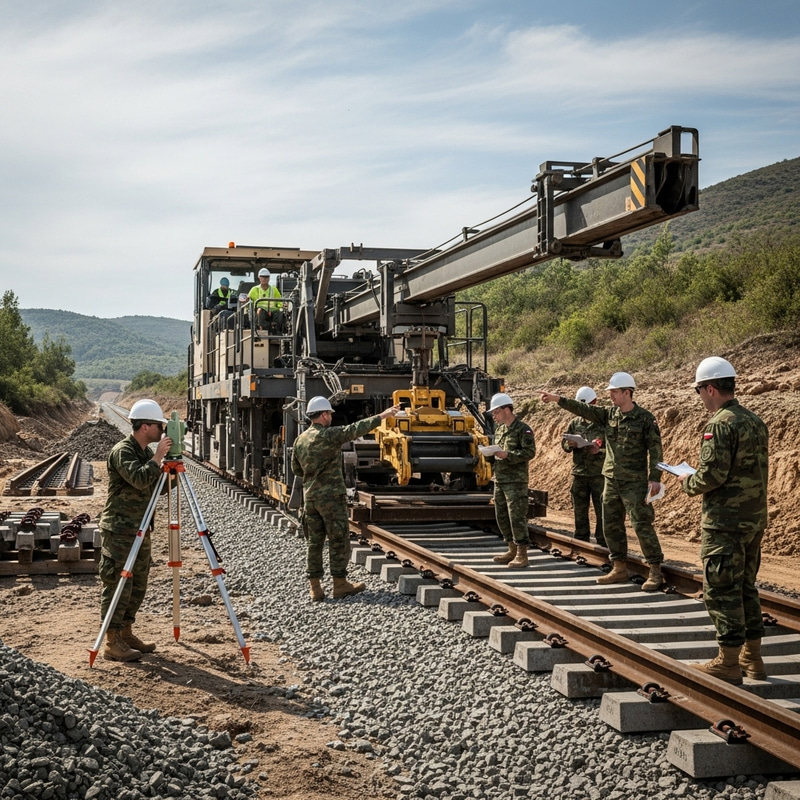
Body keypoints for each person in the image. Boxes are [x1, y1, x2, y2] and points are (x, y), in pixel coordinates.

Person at [678, 356, 769, 684]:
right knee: (746, 586)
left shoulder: (720, 424)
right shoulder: (755, 421)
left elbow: (712, 476)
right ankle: (753, 658)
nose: (700, 396)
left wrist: (686, 480)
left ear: (711, 388)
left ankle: (728, 661)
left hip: (725, 523)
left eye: (700, 390)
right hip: (753, 520)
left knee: (720, 589)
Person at [540, 372, 665, 591]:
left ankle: (655, 569)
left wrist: (655, 479)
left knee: (641, 524)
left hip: (634, 482)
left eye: (615, 392)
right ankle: (619, 567)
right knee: (610, 524)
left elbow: (656, 451)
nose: (611, 396)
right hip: (610, 480)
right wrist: (558, 399)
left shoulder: (645, 418)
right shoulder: (609, 415)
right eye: (610, 392)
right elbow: (584, 409)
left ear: (628, 392)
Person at [291, 395, 401, 601]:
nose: (331, 417)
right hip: (332, 498)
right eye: (330, 414)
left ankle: (315, 588)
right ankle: (339, 584)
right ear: (323, 415)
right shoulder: (329, 435)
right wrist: (382, 416)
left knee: (314, 543)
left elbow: (296, 469)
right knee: (338, 540)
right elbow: (354, 429)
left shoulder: (300, 440)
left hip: (310, 499)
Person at [98, 399, 172, 661]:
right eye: (159, 425)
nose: (163, 430)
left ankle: (126, 632)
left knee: (137, 585)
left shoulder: (143, 453)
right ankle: (111, 641)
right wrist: (159, 457)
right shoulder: (123, 451)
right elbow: (140, 479)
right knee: (118, 583)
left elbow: (157, 487)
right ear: (145, 427)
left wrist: (169, 471)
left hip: (140, 528)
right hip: (120, 529)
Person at [487, 392, 536, 568]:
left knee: (516, 516)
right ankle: (511, 549)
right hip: (500, 479)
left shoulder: (523, 429)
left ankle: (522, 554)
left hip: (516, 481)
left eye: (496, 411)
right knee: (501, 516)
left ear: (506, 409)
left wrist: (508, 455)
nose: (494, 415)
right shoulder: (499, 429)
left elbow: (529, 452)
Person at [561, 387, 606, 547]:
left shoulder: (603, 423)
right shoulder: (575, 423)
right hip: (579, 474)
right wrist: (570, 444)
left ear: (595, 402)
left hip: (599, 475)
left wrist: (599, 450)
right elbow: (565, 445)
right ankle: (581, 541)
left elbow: (614, 449)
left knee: (602, 510)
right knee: (579, 510)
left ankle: (603, 542)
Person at [247, 267, 284, 331]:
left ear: (269, 278)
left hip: (272, 312)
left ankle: (276, 331)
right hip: (259, 313)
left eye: (266, 277)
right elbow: (248, 301)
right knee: (260, 312)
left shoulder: (274, 289)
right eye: (262, 276)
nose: (264, 278)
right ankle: (263, 330)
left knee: (281, 313)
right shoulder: (254, 290)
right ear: (259, 277)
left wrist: (280, 307)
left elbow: (280, 303)